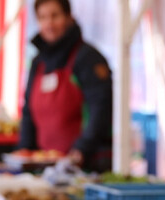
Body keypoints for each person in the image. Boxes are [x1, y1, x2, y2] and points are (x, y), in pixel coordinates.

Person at [18, 0, 113, 171]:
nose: (49, 23)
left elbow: (101, 107)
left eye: (55, 16)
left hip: (86, 166)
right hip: (46, 166)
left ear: (69, 18)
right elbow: (28, 113)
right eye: (42, 17)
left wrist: (82, 149)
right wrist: (24, 149)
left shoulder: (88, 58)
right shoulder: (38, 63)